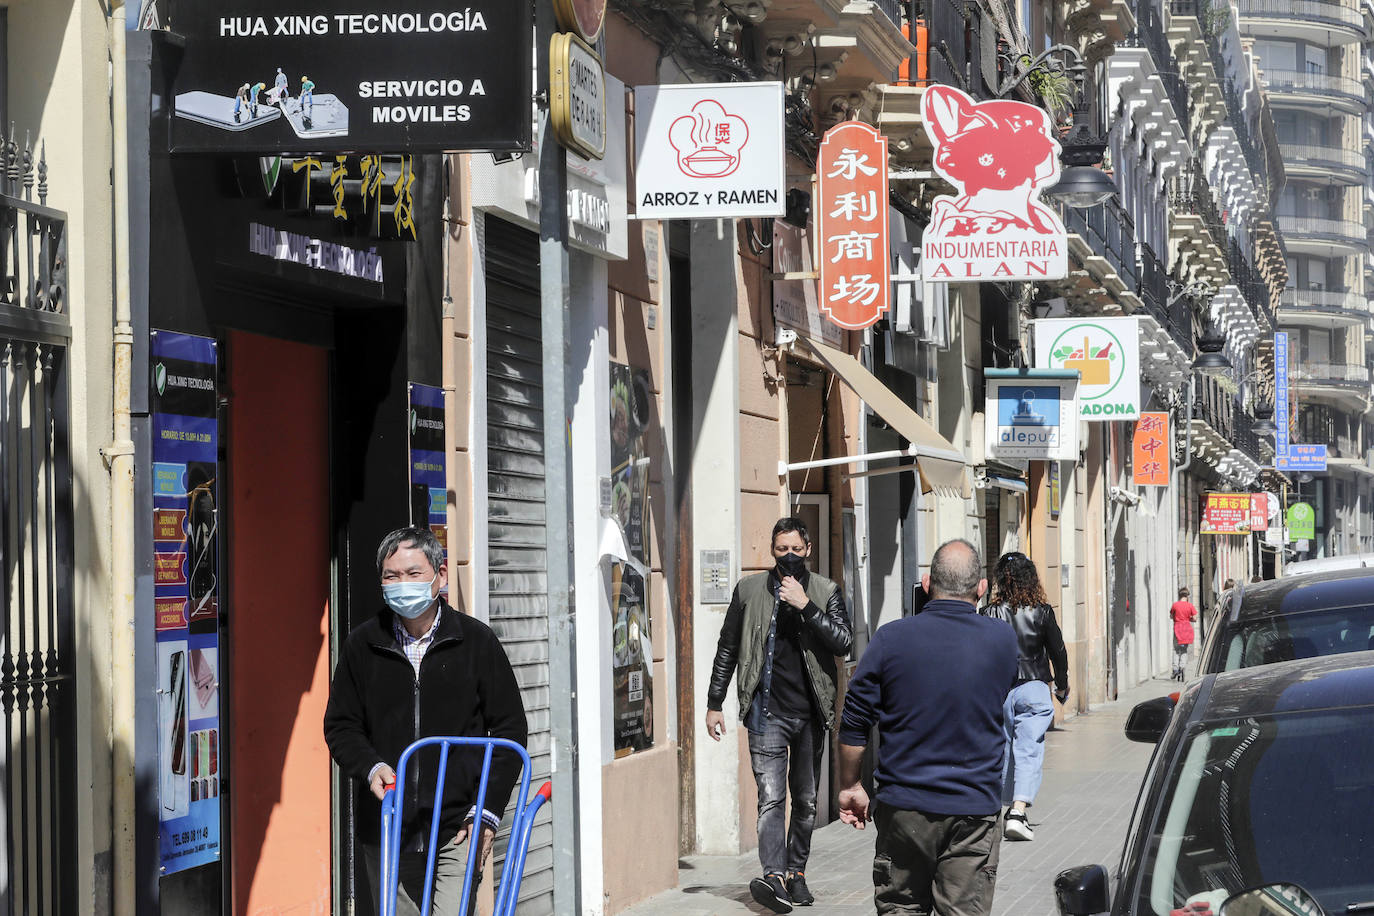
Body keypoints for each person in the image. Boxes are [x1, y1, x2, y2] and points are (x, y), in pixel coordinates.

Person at [324, 527, 528, 915]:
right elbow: (341, 725)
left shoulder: (476, 643)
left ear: (441, 575)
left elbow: (510, 732)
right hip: (387, 829)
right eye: (391, 576)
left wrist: (485, 811)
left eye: (414, 573)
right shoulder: (362, 645)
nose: (402, 584)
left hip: (456, 830)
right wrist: (372, 768)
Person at [837, 540, 1018, 916]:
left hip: (905, 807)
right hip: (973, 810)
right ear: (981, 588)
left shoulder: (890, 638)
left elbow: (855, 719)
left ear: (925, 584)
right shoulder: (1001, 639)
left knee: (901, 908)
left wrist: (852, 784)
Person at [705, 517, 853, 913]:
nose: (789, 556)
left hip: (810, 715)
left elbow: (843, 641)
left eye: (796, 549)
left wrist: (805, 606)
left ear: (808, 550)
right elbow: (727, 648)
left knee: (804, 801)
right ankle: (773, 875)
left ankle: (796, 872)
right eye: (781, 549)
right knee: (771, 799)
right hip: (766, 712)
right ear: (772, 550)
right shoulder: (749, 590)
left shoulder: (825, 590)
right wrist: (714, 703)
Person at [980, 552, 1069, 842]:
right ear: (1030, 578)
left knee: (1005, 748)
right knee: (1028, 749)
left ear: (1000, 581)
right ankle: (1017, 811)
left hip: (1000, 688)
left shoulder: (988, 613)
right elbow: (1058, 650)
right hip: (1033, 686)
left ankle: (1004, 809)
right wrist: (1062, 685)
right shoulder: (1042, 611)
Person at [1170, 587, 1198, 681]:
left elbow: (1171, 616)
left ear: (1179, 595)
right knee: (1184, 650)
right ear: (1187, 596)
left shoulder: (1175, 605)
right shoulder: (1190, 606)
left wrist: (1177, 618)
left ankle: (1175, 669)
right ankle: (1182, 667)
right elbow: (1195, 618)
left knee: (1176, 649)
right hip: (1186, 629)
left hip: (1177, 629)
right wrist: (1188, 618)